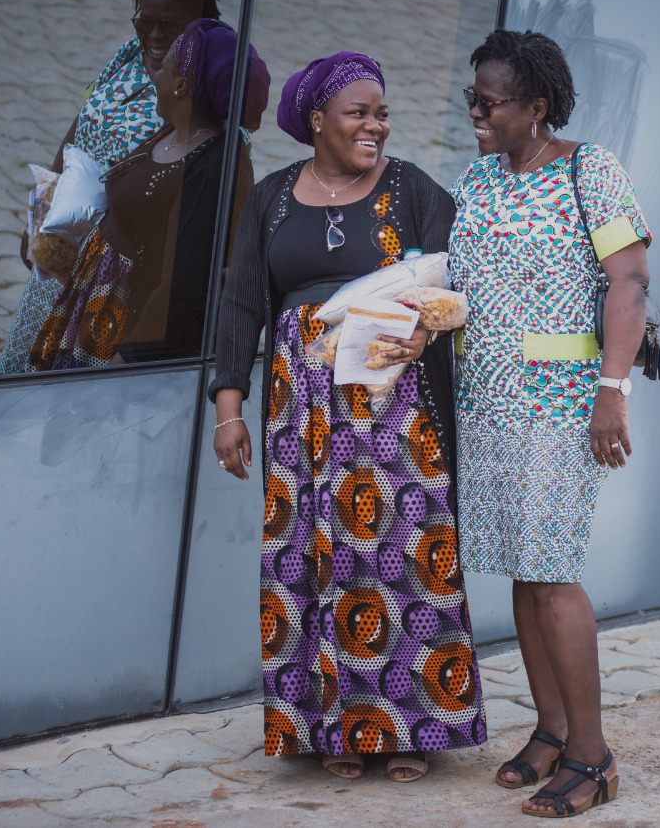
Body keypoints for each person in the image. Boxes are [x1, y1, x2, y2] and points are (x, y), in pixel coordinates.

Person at [209, 52, 487, 783]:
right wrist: (228, 409)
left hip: (396, 411)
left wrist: (432, 328)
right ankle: (333, 726)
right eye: (359, 112)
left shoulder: (411, 191)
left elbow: (465, 281)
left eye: (382, 112)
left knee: (400, 555)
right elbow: (242, 306)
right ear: (317, 121)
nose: (376, 125)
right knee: (314, 556)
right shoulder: (270, 199)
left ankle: (409, 729)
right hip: (302, 416)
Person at [448, 29, 651, 818]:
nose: (475, 111)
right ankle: (552, 730)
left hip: (562, 408)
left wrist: (612, 390)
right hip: (489, 406)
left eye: (489, 101)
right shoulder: (479, 180)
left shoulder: (587, 171)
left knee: (554, 576)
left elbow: (628, 281)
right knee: (525, 580)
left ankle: (593, 758)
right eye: (473, 96)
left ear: (536, 107)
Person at [0, 0, 222, 373]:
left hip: (119, 278)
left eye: (167, 25)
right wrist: (41, 217)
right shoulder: (127, 58)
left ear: (198, 22)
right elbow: (83, 122)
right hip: (67, 251)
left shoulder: (206, 90)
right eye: (143, 22)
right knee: (35, 376)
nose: (152, 36)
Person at [29, 19, 268, 369]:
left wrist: (128, 359)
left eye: (164, 68)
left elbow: (181, 286)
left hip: (125, 334)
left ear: (182, 86)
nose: (153, 76)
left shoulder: (214, 170)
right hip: (97, 309)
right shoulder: (176, 131)